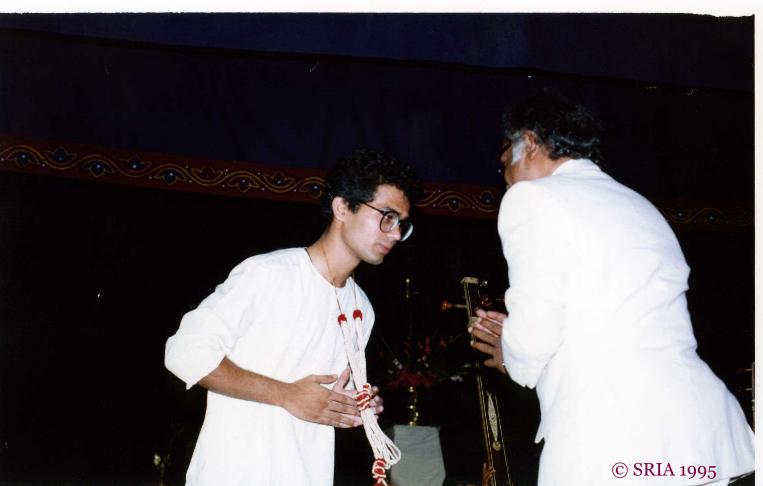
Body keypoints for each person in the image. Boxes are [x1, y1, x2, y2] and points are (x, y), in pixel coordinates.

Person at [468, 93, 754, 485]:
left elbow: (534, 338)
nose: (505, 178)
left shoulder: (532, 197)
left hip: (614, 435)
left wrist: (512, 352)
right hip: (702, 434)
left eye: (504, 161)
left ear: (529, 143)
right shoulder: (639, 204)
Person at [165, 148, 421, 485]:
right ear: (342, 207)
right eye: (387, 216)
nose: (395, 233)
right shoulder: (269, 274)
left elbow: (319, 397)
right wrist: (286, 394)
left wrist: (352, 405)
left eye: (402, 224)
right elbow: (184, 352)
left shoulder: (361, 308)